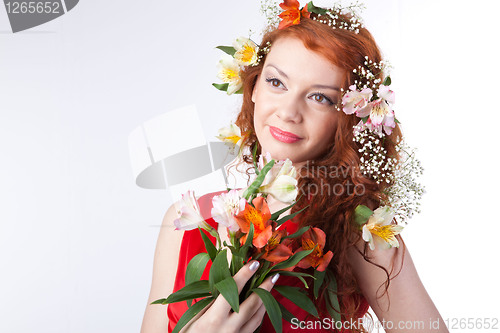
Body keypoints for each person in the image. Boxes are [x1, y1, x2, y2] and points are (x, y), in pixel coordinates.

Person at [141, 1, 448, 332]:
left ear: (346, 120)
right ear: (254, 86)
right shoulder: (185, 220)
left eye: (320, 98)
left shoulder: (358, 228)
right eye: (276, 82)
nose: (288, 111)